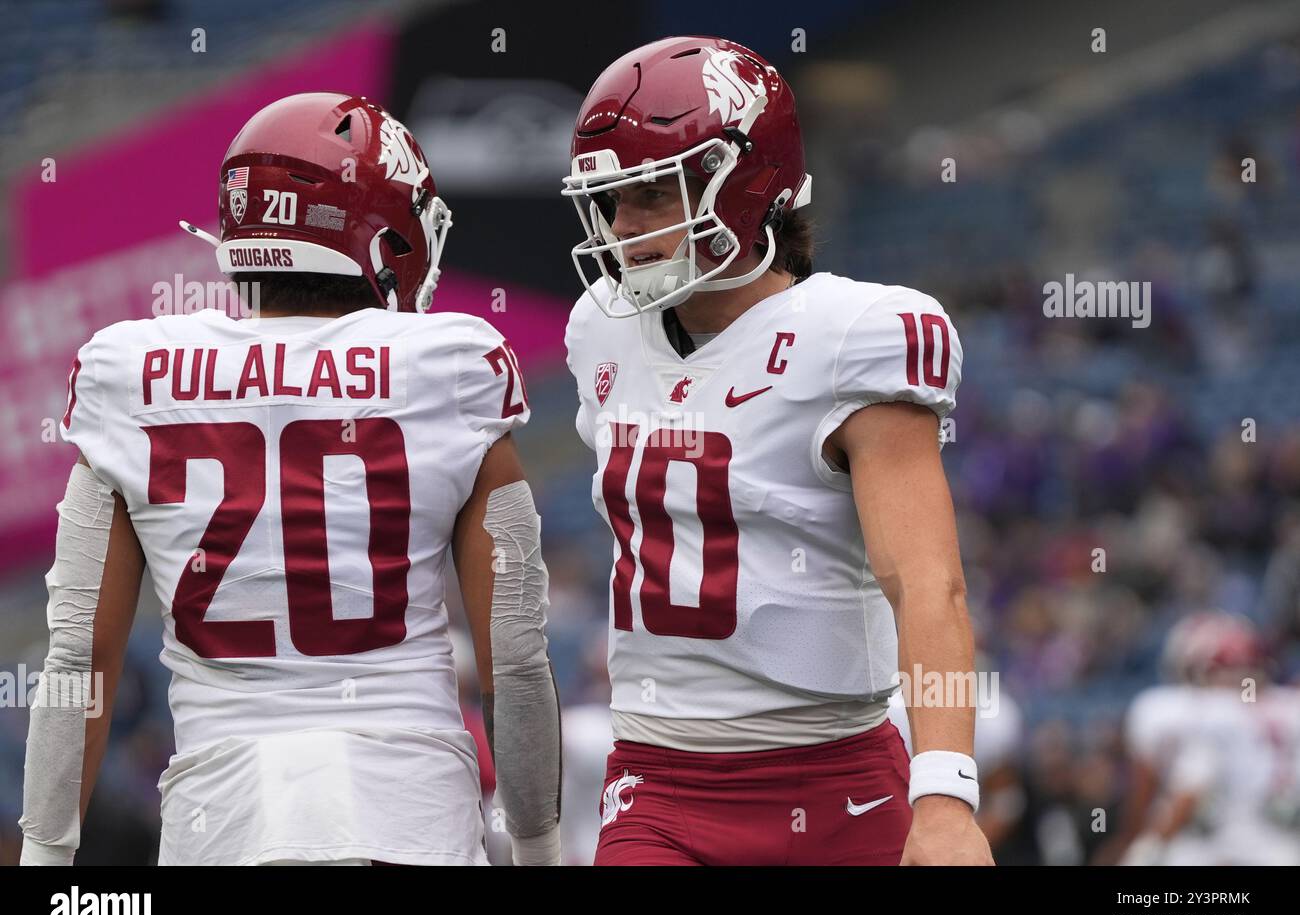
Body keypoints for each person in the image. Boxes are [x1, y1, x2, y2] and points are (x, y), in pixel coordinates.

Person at [19, 92, 562, 866]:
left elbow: (79, 663)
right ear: (384, 236)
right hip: (408, 823)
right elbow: (513, 658)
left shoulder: (129, 373)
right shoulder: (449, 369)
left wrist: (45, 859)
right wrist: (541, 849)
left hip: (226, 824)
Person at [560, 37, 992, 865]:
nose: (624, 229)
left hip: (836, 782)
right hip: (657, 779)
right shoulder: (599, 327)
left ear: (748, 186)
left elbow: (927, 583)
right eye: (612, 201)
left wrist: (944, 798)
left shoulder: (854, 336)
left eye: (651, 194)